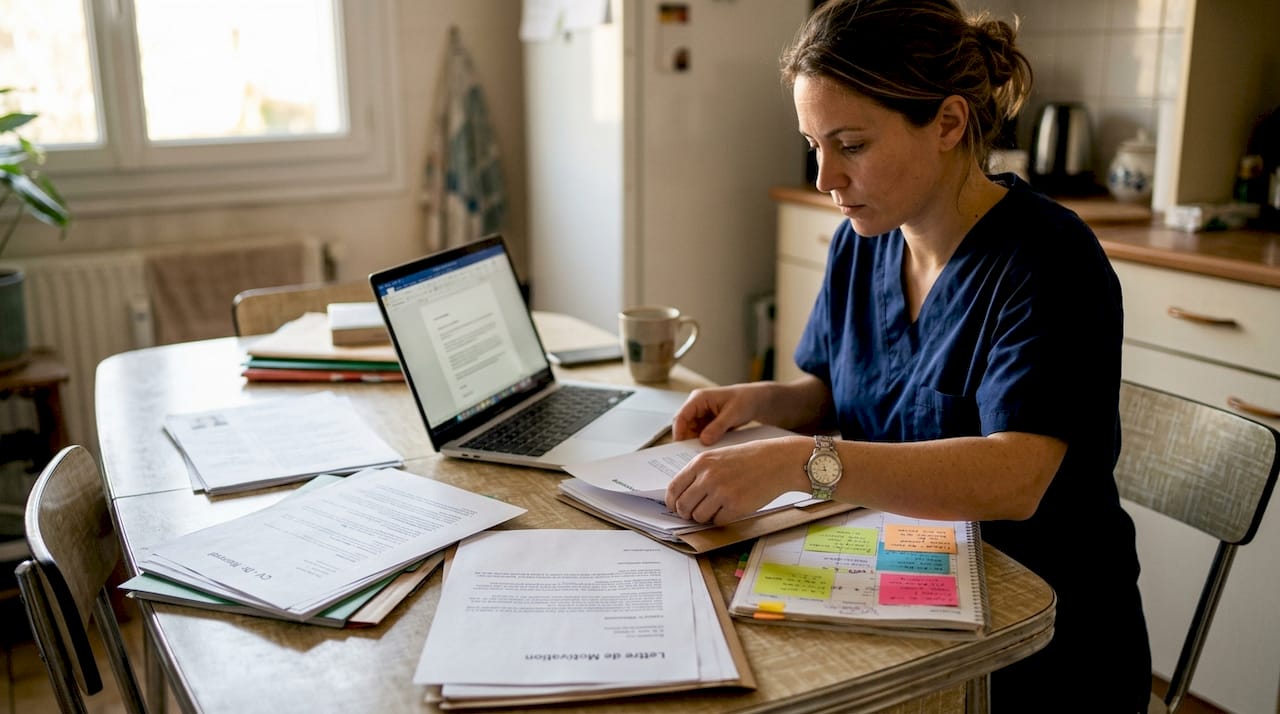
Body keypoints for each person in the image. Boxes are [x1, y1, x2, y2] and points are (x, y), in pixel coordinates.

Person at [662, 1, 1151, 710]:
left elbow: (1015, 477)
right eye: (813, 143)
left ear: (948, 124)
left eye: (851, 144)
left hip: (1034, 649)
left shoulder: (1049, 262)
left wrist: (798, 461)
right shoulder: (863, 243)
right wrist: (762, 403)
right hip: (897, 592)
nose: (826, 177)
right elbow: (835, 389)